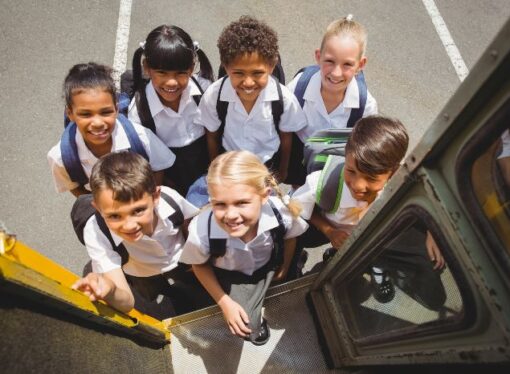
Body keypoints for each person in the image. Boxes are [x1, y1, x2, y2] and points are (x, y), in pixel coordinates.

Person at [180, 151, 308, 345]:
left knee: (287, 283)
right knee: (246, 322)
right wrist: (225, 303)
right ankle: (257, 321)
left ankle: (293, 267)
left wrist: (283, 268)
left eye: (242, 203)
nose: (231, 215)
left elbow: (292, 237)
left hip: (271, 265)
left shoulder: (281, 212)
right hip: (235, 277)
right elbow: (199, 265)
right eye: (220, 204)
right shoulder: (201, 229)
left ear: (264, 196)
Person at [71, 151, 200, 319]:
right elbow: (126, 302)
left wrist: (195, 258)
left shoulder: (170, 199)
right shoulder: (96, 232)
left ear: (155, 197)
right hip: (141, 273)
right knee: (152, 301)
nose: (130, 225)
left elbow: (187, 223)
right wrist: (110, 290)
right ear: (98, 208)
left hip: (181, 261)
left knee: (192, 295)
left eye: (138, 210)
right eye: (114, 216)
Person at [197, 15, 307, 182]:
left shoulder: (283, 99)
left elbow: (286, 136)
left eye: (257, 73)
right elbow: (211, 135)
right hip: (229, 166)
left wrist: (283, 170)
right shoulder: (214, 96)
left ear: (271, 66)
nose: (248, 82)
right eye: (238, 73)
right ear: (226, 67)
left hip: (266, 166)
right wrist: (215, 166)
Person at [48, 63, 175, 197]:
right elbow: (73, 186)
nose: (97, 123)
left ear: (116, 109)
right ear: (70, 114)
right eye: (86, 114)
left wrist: (147, 199)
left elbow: (159, 167)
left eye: (106, 112)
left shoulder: (140, 138)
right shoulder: (61, 158)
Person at [286, 15, 378, 186]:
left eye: (347, 64)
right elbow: (282, 126)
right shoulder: (299, 86)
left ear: (361, 65)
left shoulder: (365, 106)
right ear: (318, 56)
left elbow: (364, 151)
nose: (336, 73)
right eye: (329, 61)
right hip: (299, 162)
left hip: (335, 174)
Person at [128, 25, 215, 196]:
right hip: (168, 184)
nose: (171, 82)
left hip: (208, 174)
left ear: (191, 68)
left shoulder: (205, 91)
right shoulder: (139, 112)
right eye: (161, 72)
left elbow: (215, 134)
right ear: (146, 68)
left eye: (181, 73)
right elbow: (147, 164)